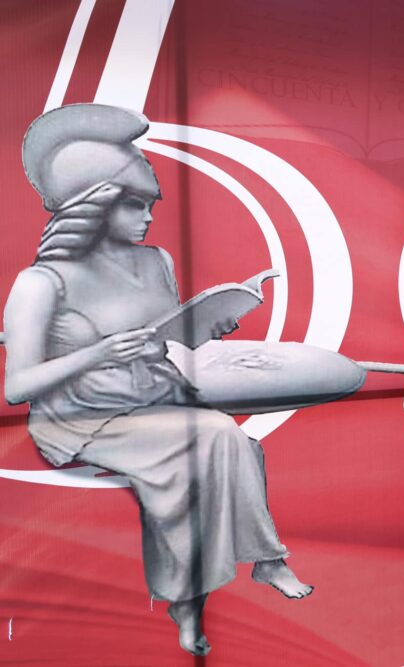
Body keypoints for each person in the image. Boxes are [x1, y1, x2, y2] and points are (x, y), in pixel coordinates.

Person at [2, 104, 312, 657]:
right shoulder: (40, 282)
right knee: (214, 441)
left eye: (151, 204)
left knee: (238, 446)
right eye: (134, 205)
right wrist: (96, 354)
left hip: (152, 396)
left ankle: (222, 585)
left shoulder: (157, 262)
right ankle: (232, 578)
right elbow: (17, 387)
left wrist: (215, 318)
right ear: (93, 204)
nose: (147, 217)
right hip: (81, 418)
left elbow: (166, 337)